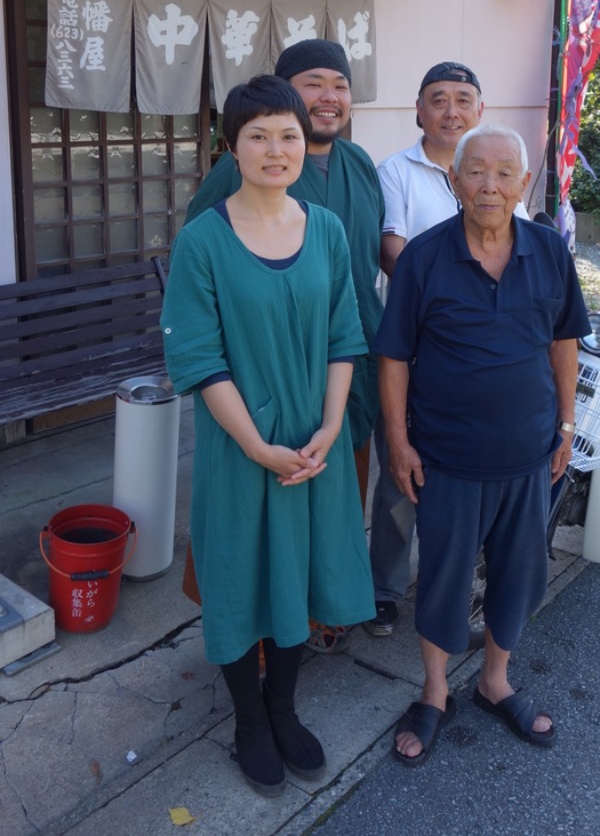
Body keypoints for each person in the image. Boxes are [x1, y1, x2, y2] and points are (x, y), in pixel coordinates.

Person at [161, 75, 374, 796]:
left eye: (287, 134)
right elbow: (197, 357)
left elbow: (346, 333)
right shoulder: (202, 242)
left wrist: (333, 426)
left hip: (315, 447)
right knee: (238, 578)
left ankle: (284, 708)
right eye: (258, 136)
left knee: (302, 574)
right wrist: (256, 445)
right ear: (232, 148)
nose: (276, 149)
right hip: (240, 449)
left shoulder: (328, 230)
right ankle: (247, 720)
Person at [374, 125, 589, 766]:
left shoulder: (550, 252)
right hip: (447, 456)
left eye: (504, 173)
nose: (489, 185)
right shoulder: (424, 257)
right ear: (454, 181)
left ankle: (495, 682)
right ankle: (436, 692)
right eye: (476, 172)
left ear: (524, 183)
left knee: (520, 576)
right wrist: (397, 439)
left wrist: (569, 423)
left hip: (529, 453)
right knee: (441, 580)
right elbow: (393, 356)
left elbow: (564, 344)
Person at [185, 39, 384, 652]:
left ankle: (317, 615)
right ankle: (251, 633)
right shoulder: (237, 173)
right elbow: (204, 281)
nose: (329, 97)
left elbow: (372, 262)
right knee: (250, 520)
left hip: (346, 366)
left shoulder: (358, 165)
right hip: (261, 377)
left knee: (330, 500)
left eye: (340, 85)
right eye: (313, 83)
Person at [366, 63, 525, 637]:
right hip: (414, 352)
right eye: (438, 99)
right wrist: (452, 294)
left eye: (463, 99)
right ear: (419, 110)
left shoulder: (500, 167)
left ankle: (458, 585)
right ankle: (385, 587)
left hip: (487, 361)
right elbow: (392, 249)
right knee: (399, 477)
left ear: (480, 110)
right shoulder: (395, 172)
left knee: (469, 479)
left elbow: (519, 246)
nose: (451, 110)